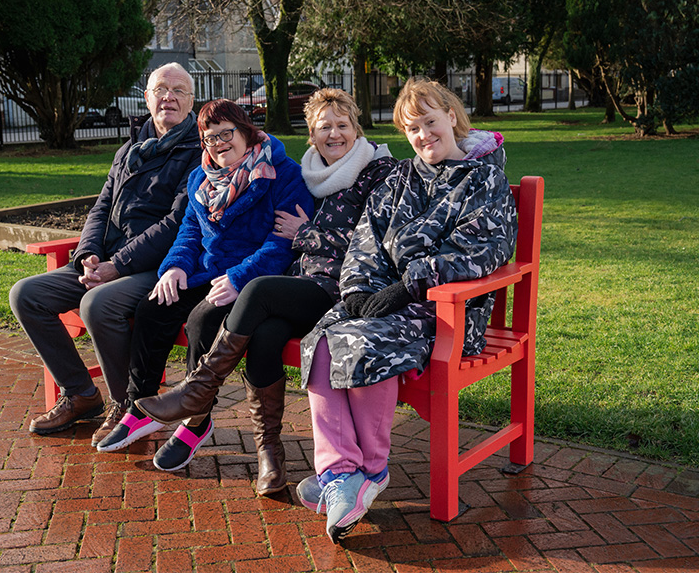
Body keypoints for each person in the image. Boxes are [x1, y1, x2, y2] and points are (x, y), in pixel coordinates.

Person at [127, 88, 396, 494]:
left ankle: (196, 393)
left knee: (254, 291)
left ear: (357, 128)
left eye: (343, 125)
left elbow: (373, 243)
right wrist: (177, 267)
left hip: (342, 289)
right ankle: (270, 454)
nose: (334, 134)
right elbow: (192, 232)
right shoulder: (310, 171)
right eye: (325, 127)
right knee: (265, 335)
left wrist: (305, 234)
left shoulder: (378, 172)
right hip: (299, 281)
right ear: (312, 135)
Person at [296, 77, 518, 544]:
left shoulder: (484, 178)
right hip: (384, 298)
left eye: (429, 122)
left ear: (451, 118)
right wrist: (356, 288)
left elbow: (483, 251)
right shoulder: (399, 178)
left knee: (360, 343)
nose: (422, 135)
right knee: (321, 339)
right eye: (412, 128)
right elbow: (365, 239)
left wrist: (408, 287)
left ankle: (370, 471)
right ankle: (342, 473)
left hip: (448, 311)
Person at [95, 98, 314, 473]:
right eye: (210, 138)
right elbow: (189, 232)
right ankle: (140, 405)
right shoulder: (201, 177)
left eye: (227, 133)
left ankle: (195, 420)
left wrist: (238, 277)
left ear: (246, 132)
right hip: (206, 274)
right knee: (153, 307)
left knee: (201, 321)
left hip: (255, 281)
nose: (220, 144)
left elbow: (281, 245)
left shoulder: (281, 172)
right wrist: (175, 268)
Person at [10, 63, 202, 444]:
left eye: (179, 90)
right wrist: (88, 255)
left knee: (97, 304)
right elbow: (100, 208)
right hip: (108, 260)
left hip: (158, 266)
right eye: (161, 89)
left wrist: (118, 265)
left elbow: (177, 224)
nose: (169, 97)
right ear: (146, 98)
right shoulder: (130, 149)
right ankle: (81, 394)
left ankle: (124, 404)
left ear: (192, 101)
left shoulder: (197, 150)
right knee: (26, 294)